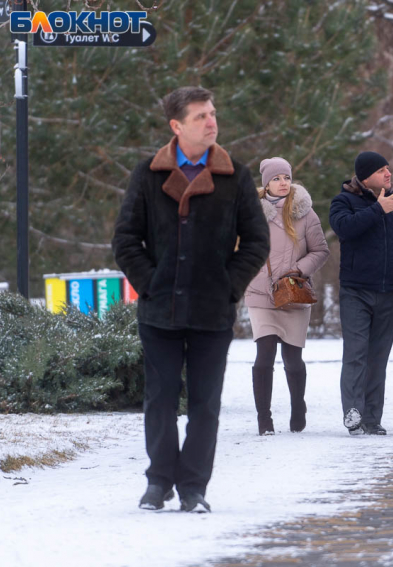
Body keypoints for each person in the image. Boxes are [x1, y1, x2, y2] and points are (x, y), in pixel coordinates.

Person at [113, 86, 269, 513]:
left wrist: (228, 285)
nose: (212, 122)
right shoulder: (148, 173)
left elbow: (257, 242)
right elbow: (125, 240)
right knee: (160, 401)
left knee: (205, 405)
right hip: (159, 311)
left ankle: (194, 488)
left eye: (213, 113)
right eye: (201, 116)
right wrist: (151, 282)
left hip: (212, 311)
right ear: (177, 126)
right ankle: (159, 481)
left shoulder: (234, 174)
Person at [329, 151, 393, 435]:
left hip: (390, 290)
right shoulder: (344, 201)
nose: (388, 173)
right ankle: (353, 413)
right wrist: (377, 209)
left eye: (388, 169)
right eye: (381, 170)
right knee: (355, 354)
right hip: (356, 291)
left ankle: (371, 418)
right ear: (365, 177)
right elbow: (343, 228)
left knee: (378, 357)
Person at [243, 158, 329, 435]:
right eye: (277, 178)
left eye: (287, 178)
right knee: (264, 357)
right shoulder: (250, 212)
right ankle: (264, 419)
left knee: (293, 360)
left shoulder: (305, 213)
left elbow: (320, 251)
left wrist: (299, 269)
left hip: (293, 292)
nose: (283, 183)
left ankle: (297, 407)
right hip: (260, 293)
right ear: (266, 183)